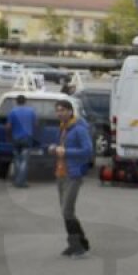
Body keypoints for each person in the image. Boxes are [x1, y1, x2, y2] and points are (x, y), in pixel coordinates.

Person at [50, 99, 93, 257]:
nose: (59, 113)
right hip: (61, 173)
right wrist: (54, 148)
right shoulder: (63, 128)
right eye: (58, 110)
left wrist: (65, 151)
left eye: (62, 110)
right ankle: (75, 243)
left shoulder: (79, 129)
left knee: (67, 210)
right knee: (66, 211)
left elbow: (87, 151)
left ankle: (80, 245)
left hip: (73, 174)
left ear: (70, 111)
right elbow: (59, 146)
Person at [8, 94, 37, 188]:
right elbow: (35, 124)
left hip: (16, 138)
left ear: (17, 101)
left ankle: (17, 180)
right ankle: (21, 182)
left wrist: (9, 136)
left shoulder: (12, 112)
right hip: (27, 138)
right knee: (24, 161)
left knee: (17, 159)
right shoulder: (31, 111)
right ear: (25, 101)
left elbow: (8, 126)